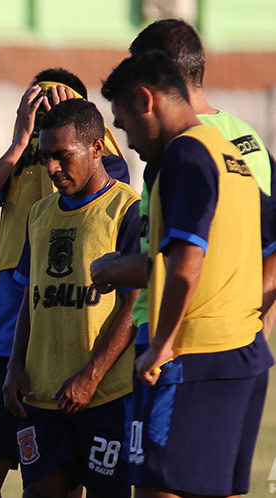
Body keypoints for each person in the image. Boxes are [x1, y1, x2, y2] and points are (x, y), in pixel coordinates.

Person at [101, 50, 273, 497]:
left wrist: (160, 346)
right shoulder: (229, 154)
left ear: (145, 100)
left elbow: (186, 263)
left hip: (190, 358)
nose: (130, 142)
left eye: (123, 123)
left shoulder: (184, 155)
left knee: (158, 489)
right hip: (244, 355)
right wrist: (257, 317)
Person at [0, 68, 130, 497]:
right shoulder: (25, 166)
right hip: (9, 338)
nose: (52, 166)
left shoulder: (104, 171)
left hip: (73, 341)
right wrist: (20, 142)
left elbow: (111, 194)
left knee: (59, 478)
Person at [1, 99, 139, 498]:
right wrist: (14, 366)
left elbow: (134, 304)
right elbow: (31, 294)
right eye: (46, 158)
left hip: (104, 397)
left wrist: (90, 376)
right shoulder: (40, 212)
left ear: (97, 148)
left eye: (62, 156)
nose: (52, 169)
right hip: (43, 395)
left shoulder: (127, 209)